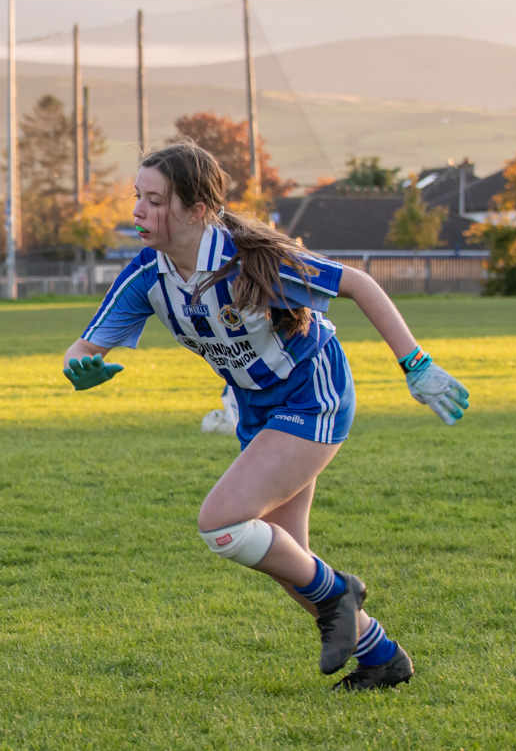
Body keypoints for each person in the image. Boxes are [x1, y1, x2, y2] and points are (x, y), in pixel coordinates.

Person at [63, 141, 469, 692]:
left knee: (222, 523)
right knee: (287, 559)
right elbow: (83, 347)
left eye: (154, 200)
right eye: (138, 196)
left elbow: (357, 283)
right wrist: (79, 368)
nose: (137, 210)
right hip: (260, 410)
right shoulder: (149, 276)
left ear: (198, 210)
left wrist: (416, 364)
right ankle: (382, 657)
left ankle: (340, 594)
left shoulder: (251, 259)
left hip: (313, 394)